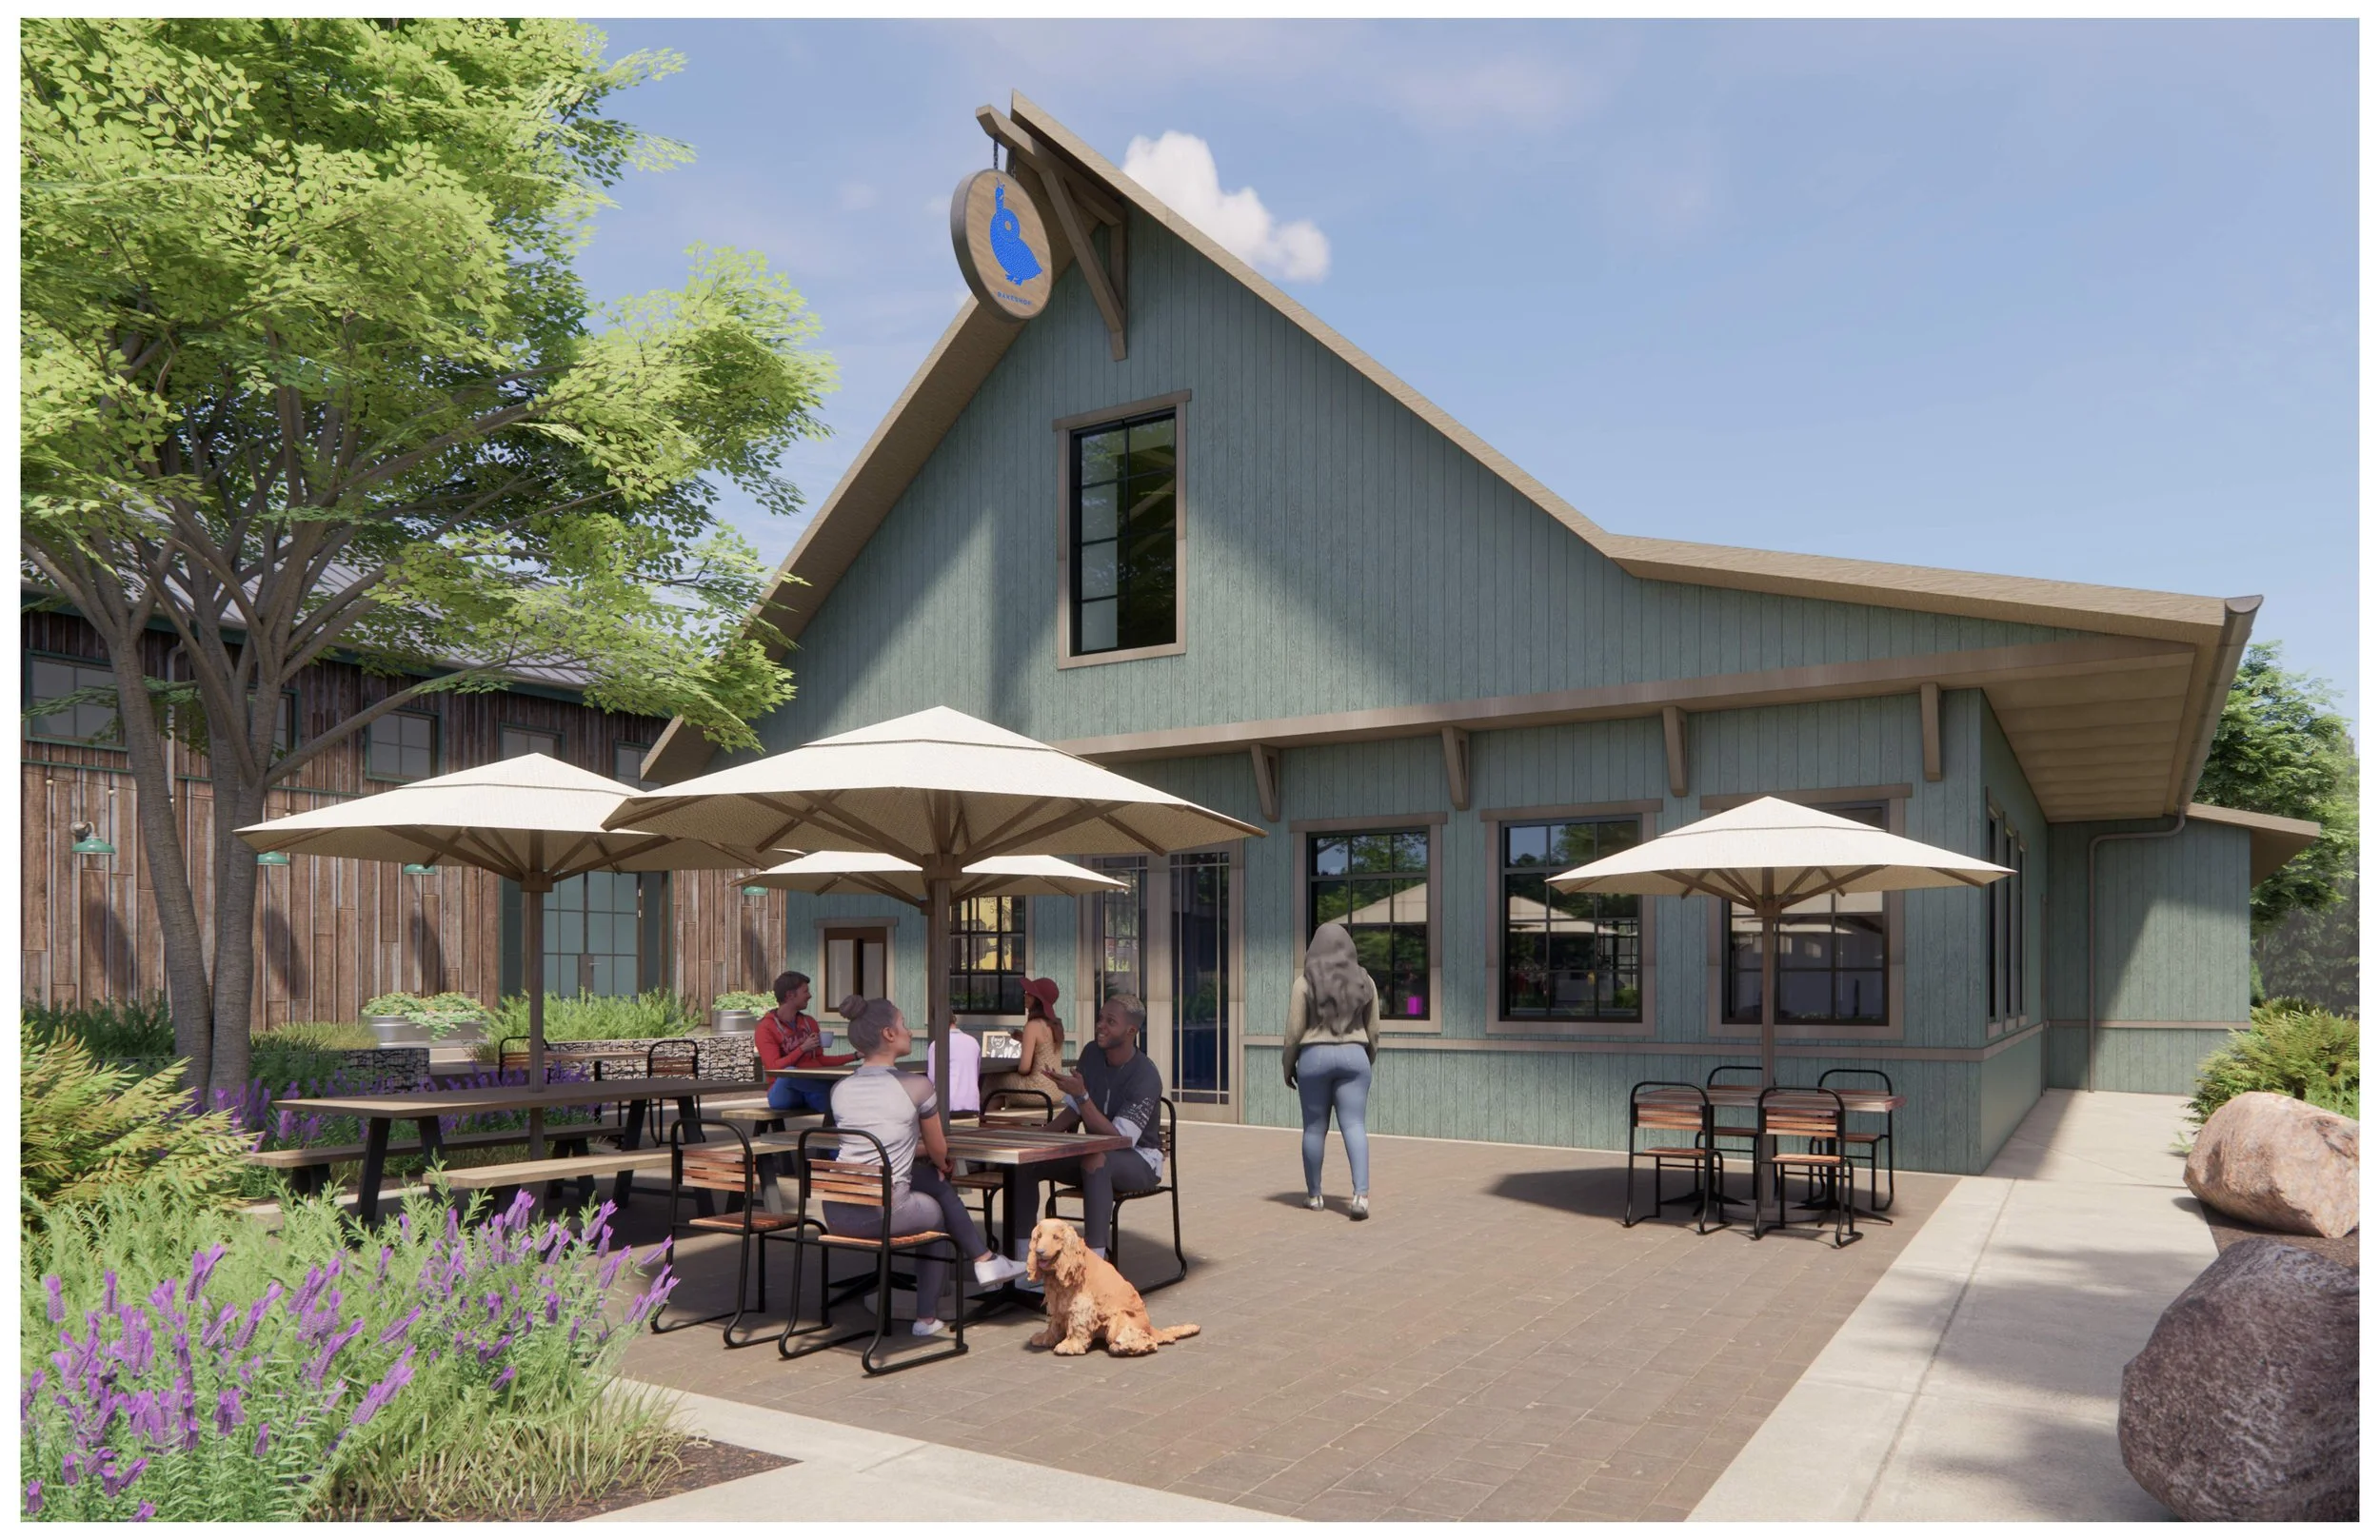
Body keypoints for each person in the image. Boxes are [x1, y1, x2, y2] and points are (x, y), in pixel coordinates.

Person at [823, 996, 1028, 1336]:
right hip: (885, 1211)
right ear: (889, 1034)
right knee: (935, 1207)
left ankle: (985, 1261)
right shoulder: (917, 1085)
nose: (910, 1030)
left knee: (925, 1177)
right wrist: (942, 1163)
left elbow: (878, 1141)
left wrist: (930, 1164)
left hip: (837, 1211)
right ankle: (928, 1316)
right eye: (904, 1024)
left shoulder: (840, 1088)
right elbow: (938, 1148)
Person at [1022, 992, 1166, 1267]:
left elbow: (1119, 1139)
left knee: (1096, 1159)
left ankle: (1094, 1266)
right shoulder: (1091, 1053)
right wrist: (1041, 1136)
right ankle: (1022, 1263)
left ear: (1131, 1031)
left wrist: (1083, 1096)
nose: (1100, 1025)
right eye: (1100, 1018)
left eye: (1110, 1021)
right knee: (1028, 1161)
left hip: (1139, 1160)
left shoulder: (1146, 1075)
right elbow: (1075, 1112)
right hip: (1092, 1151)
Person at [1283, 921, 1379, 1219]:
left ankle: (1314, 1196)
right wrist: (1367, 1058)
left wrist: (1288, 1065)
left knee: (1314, 1128)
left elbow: (1294, 1031)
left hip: (1315, 1057)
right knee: (1354, 1125)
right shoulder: (1366, 982)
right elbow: (1374, 1030)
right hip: (1355, 1055)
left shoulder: (1304, 983)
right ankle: (1360, 1197)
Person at [756, 970, 849, 1116]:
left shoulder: (809, 1022)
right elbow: (773, 1067)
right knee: (791, 1073)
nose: (810, 995)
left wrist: (855, 1056)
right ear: (790, 995)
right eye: (805, 991)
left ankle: (836, 1123)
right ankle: (838, 1106)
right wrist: (802, 1049)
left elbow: (819, 1060)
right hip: (783, 1094)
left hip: (809, 1091)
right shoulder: (766, 1028)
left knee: (836, 1085)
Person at [982, 976, 1066, 1106]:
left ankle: (982, 1119)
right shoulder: (1056, 1026)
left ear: (1037, 1000)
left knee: (991, 1079)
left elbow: (1024, 1068)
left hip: (1037, 1090)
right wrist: (1024, 1039)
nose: (1025, 996)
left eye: (1029, 994)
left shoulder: (1033, 1025)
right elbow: (1044, 1048)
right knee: (1004, 1090)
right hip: (1056, 1090)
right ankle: (1002, 1120)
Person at [925, 1020, 982, 1116]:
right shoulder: (973, 1042)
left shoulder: (937, 1044)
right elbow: (976, 1073)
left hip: (947, 1105)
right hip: (972, 1103)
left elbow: (933, 1078)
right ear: (954, 1020)